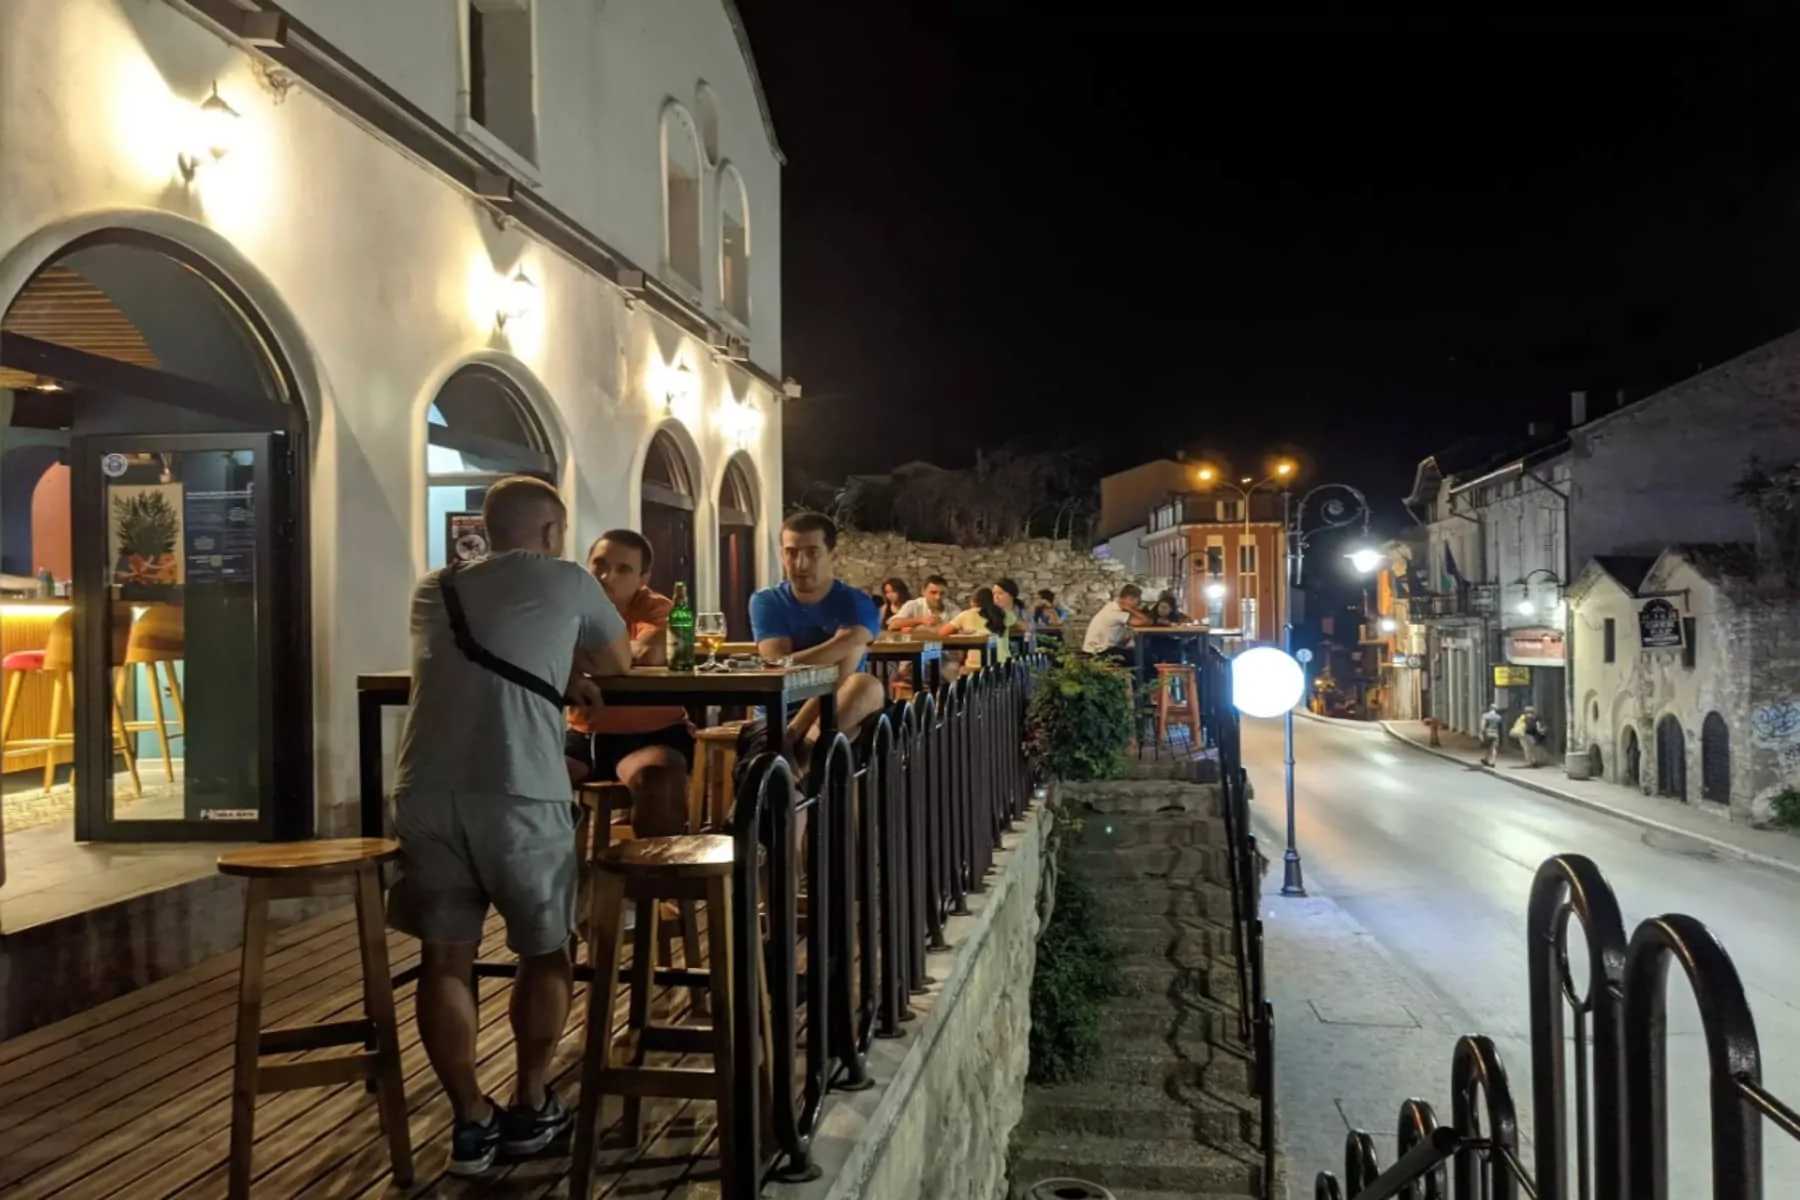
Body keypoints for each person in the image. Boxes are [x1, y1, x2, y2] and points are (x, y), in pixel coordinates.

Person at [387, 476, 632, 1176]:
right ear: (554, 534)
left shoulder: (434, 588)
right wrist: (567, 668)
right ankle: (530, 1102)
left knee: (445, 957)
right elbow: (617, 661)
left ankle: (470, 1119)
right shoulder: (569, 581)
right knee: (544, 950)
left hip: (424, 791)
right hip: (522, 789)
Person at [565, 530, 690, 839]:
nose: (607, 576)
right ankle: (557, 882)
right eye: (599, 564)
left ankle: (655, 883)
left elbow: (648, 652)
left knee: (656, 781)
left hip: (650, 735)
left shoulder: (656, 607)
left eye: (623, 569)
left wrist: (574, 658)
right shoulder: (568, 606)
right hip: (583, 736)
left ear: (643, 578)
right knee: (521, 779)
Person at [749, 511, 888, 765]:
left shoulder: (855, 603)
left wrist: (795, 733)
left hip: (840, 708)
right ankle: (801, 773)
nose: (800, 564)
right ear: (782, 555)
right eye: (791, 552)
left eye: (812, 553)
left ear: (832, 556)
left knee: (864, 686)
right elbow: (778, 666)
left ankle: (800, 762)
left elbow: (838, 676)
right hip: (777, 712)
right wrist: (841, 643)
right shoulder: (766, 601)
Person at [938, 586, 1012, 677]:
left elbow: (942, 633)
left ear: (973, 601)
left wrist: (961, 633)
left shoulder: (967, 615)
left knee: (950, 671)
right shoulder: (1003, 615)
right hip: (1004, 665)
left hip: (976, 668)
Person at [1082, 582, 1149, 664]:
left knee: (1135, 653)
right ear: (1130, 599)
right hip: (1099, 653)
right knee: (1140, 656)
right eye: (1136, 602)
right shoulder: (1115, 612)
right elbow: (1145, 621)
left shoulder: (1111, 606)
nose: (1137, 605)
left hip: (1097, 650)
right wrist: (1130, 609)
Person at [1479, 701, 1502, 767]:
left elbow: (1482, 725)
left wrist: (1481, 733)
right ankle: (1492, 761)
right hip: (1495, 733)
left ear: (1490, 708)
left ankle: (1486, 759)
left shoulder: (1485, 716)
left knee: (1488, 746)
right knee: (1494, 747)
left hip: (1488, 733)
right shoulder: (1498, 717)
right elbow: (1499, 726)